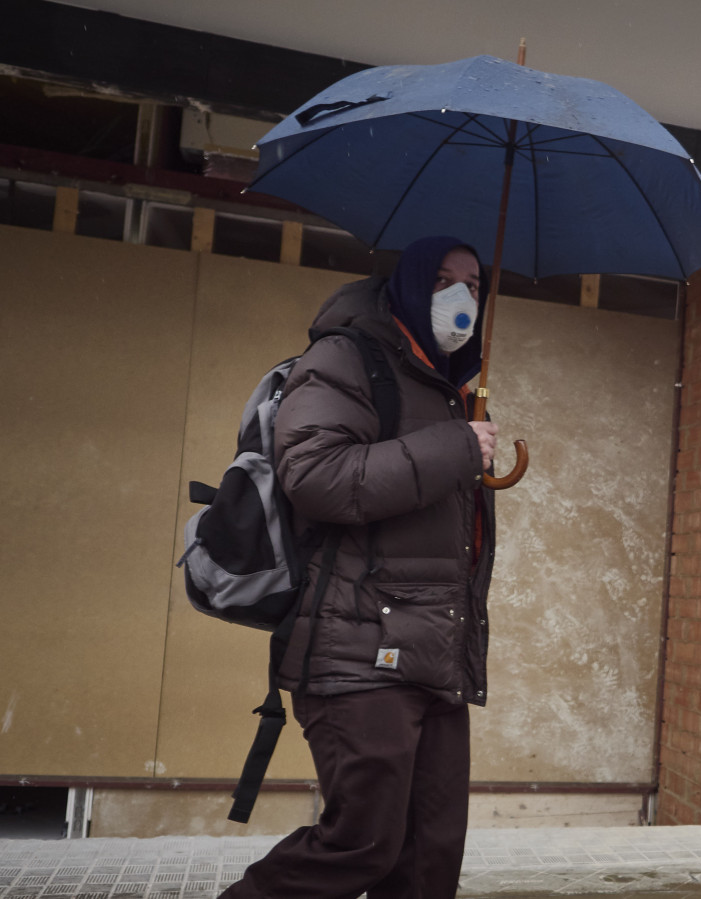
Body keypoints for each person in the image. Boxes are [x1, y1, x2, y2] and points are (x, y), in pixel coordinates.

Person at [219, 236, 498, 899]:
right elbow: (316, 476)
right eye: (442, 280)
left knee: (427, 862)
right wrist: (453, 447)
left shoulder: (453, 388)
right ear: (406, 283)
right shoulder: (346, 357)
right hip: (358, 646)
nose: (462, 297)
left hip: (436, 651)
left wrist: (464, 441)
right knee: (361, 845)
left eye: (474, 284)